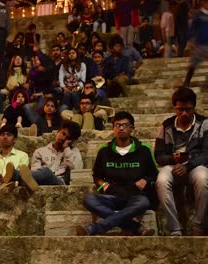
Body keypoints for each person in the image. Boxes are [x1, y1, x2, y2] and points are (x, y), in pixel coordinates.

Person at [76, 111, 159, 236]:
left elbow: (154, 174)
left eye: (125, 125)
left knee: (144, 202)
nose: (121, 128)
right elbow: (96, 176)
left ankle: (95, 228)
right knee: (89, 199)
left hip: (135, 196)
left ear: (132, 129)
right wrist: (103, 185)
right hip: (111, 196)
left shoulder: (144, 149)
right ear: (113, 128)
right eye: (117, 125)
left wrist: (146, 181)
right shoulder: (104, 151)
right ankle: (135, 227)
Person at [155, 87, 208, 236]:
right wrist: (172, 158)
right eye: (180, 109)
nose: (184, 113)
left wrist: (188, 166)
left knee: (203, 178)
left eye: (188, 109)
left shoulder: (204, 123)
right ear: (174, 108)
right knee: (161, 181)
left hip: (196, 164)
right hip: (173, 164)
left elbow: (207, 153)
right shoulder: (166, 125)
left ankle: (199, 225)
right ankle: (175, 228)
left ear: (194, 108)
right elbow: (158, 155)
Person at [0, 125, 39, 193]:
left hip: (15, 183)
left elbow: (22, 174)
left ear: (15, 140)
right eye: (2, 134)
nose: (5, 137)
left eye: (9, 135)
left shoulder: (23, 155)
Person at [31, 120, 83, 185]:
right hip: (41, 181)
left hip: (59, 182)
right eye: (63, 134)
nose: (63, 138)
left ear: (72, 141)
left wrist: (66, 148)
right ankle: (16, 174)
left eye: (68, 138)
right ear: (58, 131)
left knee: (46, 172)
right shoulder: (40, 151)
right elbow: (35, 171)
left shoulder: (74, 152)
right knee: (45, 172)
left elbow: (77, 169)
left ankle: (17, 175)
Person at [183, 0, 208, 87]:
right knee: (193, 64)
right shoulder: (199, 15)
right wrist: (190, 40)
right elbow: (192, 28)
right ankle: (187, 81)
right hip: (200, 45)